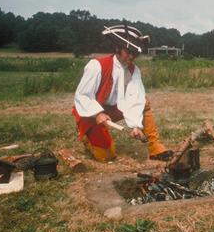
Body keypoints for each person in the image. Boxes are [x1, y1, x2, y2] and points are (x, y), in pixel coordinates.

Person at [71, 25, 173, 162]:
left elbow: (135, 99)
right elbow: (82, 95)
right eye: (128, 52)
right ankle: (87, 136)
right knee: (107, 156)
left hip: (112, 110)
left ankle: (155, 148)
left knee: (144, 102)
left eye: (135, 54)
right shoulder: (96, 66)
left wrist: (135, 125)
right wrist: (98, 114)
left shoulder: (134, 70)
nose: (131, 57)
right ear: (118, 48)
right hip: (89, 113)